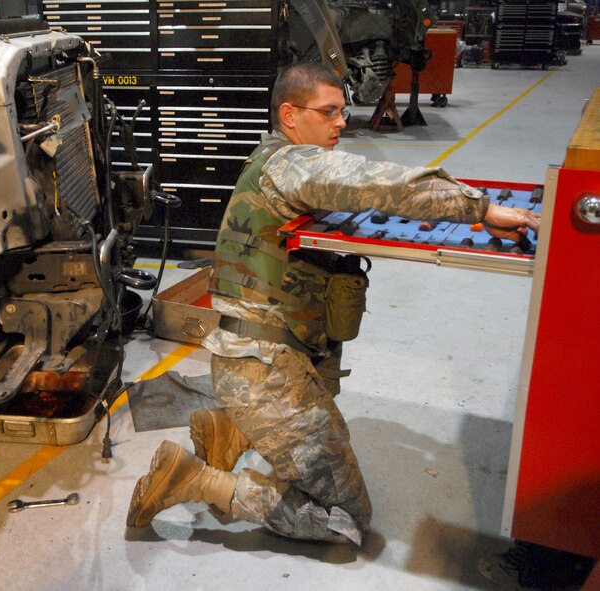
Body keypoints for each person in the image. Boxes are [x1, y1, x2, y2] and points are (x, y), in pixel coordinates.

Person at [127, 62, 540, 545]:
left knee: (327, 406)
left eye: (343, 111)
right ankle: (196, 479)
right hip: (261, 365)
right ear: (289, 114)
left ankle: (232, 430)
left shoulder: (279, 157)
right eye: (329, 112)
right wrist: (480, 207)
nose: (342, 122)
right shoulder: (290, 164)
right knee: (346, 519)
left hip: (284, 350)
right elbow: (376, 183)